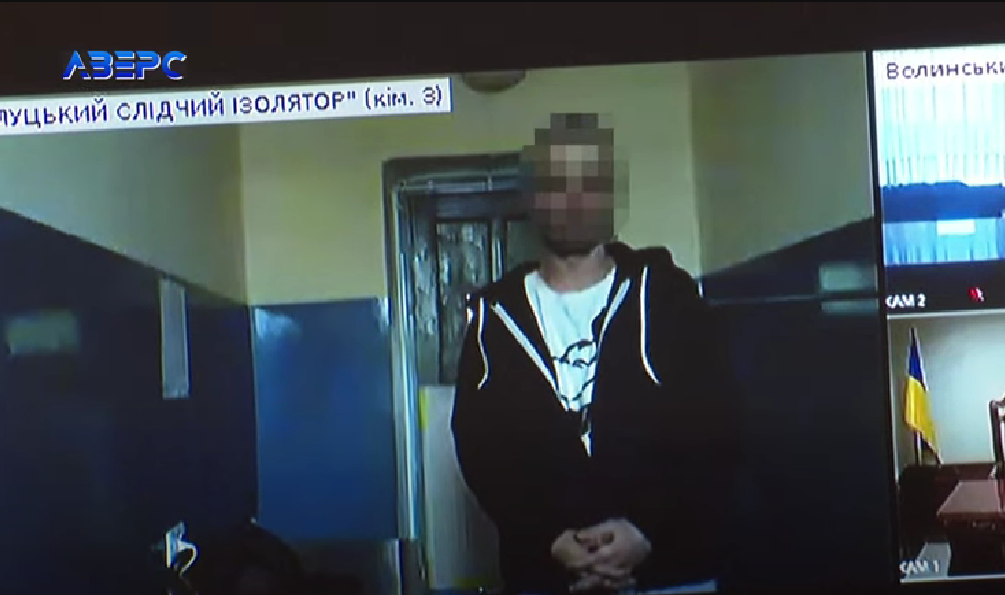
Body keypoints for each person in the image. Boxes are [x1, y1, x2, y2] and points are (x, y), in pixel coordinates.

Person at [450, 113, 736, 594]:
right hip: (544, 578)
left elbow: (718, 426)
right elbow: (481, 450)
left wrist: (645, 531)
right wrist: (549, 537)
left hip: (673, 575)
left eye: (590, 182)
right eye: (557, 184)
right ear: (533, 200)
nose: (575, 199)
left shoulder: (668, 296)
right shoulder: (493, 319)